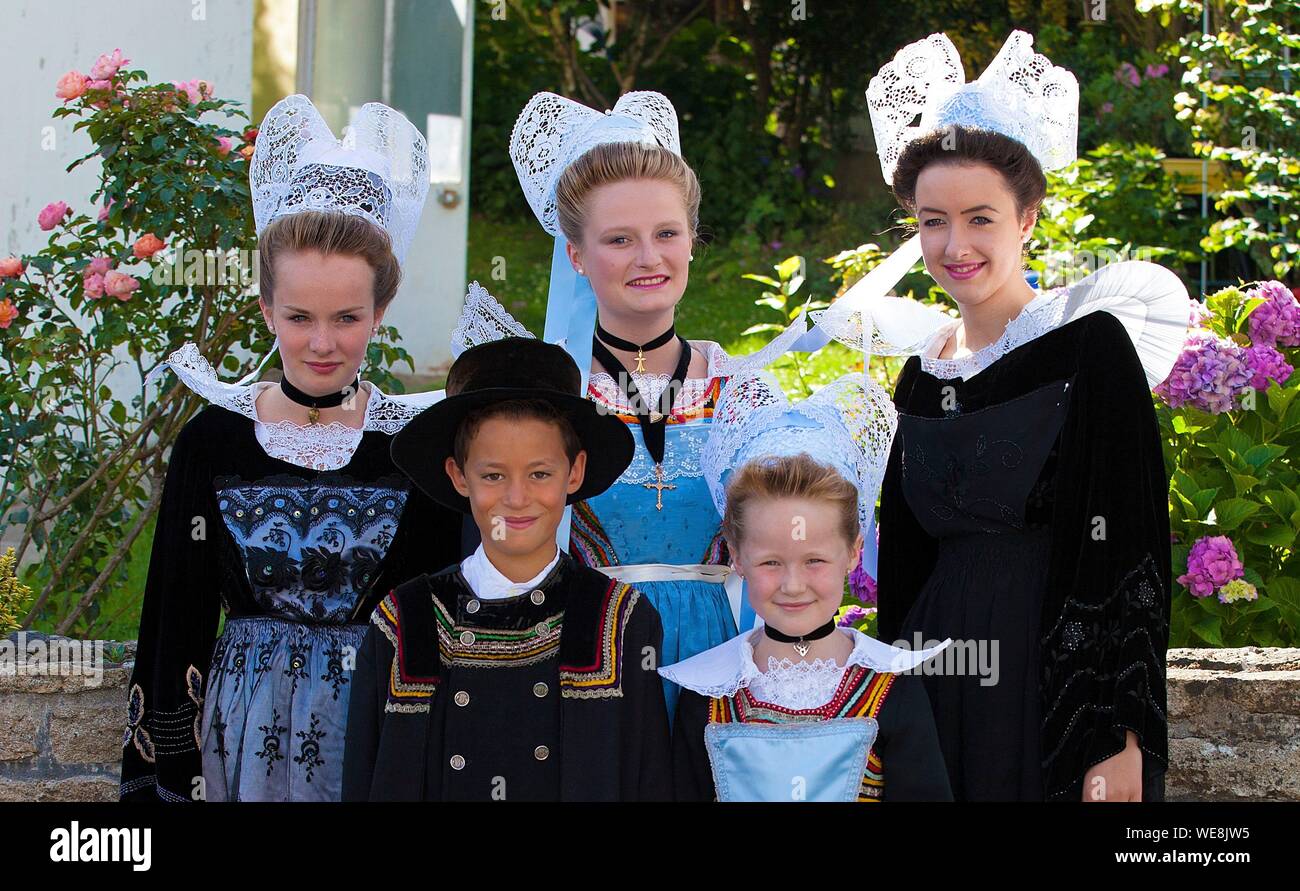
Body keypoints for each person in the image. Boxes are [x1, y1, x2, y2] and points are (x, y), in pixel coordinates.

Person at [865, 32, 1189, 801]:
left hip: (1051, 689)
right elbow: (903, 569)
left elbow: (1133, 553)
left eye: (981, 217)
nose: (955, 244)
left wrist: (1123, 738)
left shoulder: (1087, 350)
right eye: (932, 220)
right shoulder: (919, 375)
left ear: (1028, 218)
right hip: (933, 685)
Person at [119, 95, 464, 801]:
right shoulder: (212, 441)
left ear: (381, 312)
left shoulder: (414, 447)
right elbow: (173, 615)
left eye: (348, 317)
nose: (321, 342)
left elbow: (444, 620)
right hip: (238, 737)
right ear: (265, 307)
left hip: (379, 729)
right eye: (299, 316)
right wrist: (166, 774)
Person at [450, 90, 790, 721]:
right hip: (582, 664)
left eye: (667, 233)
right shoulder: (549, 400)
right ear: (575, 255)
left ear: (692, 242)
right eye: (618, 239)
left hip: (720, 673)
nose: (648, 258)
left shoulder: (745, 393)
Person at [342, 337, 672, 801]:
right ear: (459, 476)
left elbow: (648, 779)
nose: (516, 499)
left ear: (574, 473)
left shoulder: (618, 620)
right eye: (493, 475)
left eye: (540, 474)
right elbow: (364, 778)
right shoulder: (403, 621)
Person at [662, 371, 952, 802]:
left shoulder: (892, 688)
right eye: (771, 562)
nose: (793, 585)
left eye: (814, 560)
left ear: (853, 553)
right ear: (736, 556)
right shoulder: (706, 696)